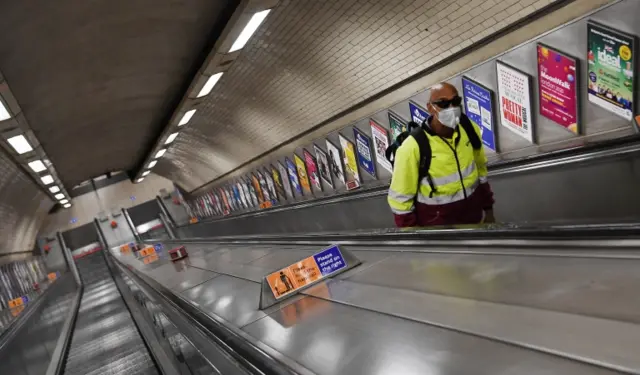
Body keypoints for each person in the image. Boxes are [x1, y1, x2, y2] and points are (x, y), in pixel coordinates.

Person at [387, 82, 495, 227]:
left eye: (455, 102)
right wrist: (414, 238)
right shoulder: (412, 147)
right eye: (443, 103)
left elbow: (481, 170)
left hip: (474, 221)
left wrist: (488, 210)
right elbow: (400, 201)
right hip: (439, 233)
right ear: (430, 107)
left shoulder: (469, 129)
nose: (451, 108)